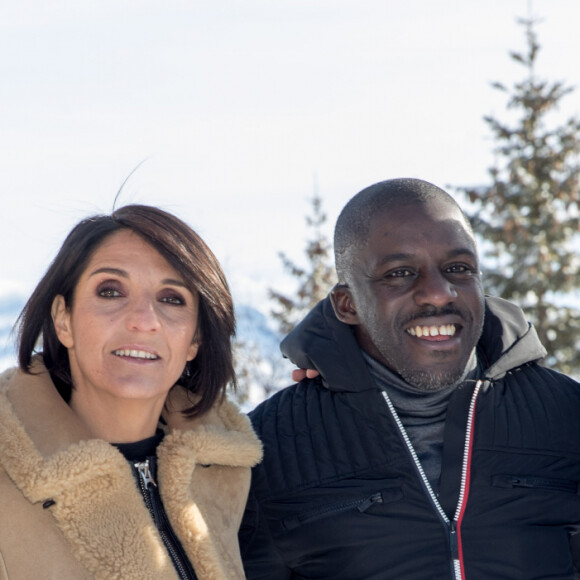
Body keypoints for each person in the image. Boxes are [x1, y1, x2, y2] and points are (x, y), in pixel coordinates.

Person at [239, 178, 580, 580]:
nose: (438, 293)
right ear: (347, 305)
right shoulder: (267, 450)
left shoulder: (566, 417)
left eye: (458, 268)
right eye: (400, 273)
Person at [0, 204, 262, 580]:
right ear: (63, 319)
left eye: (172, 298)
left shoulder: (230, 471)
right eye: (110, 291)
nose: (143, 320)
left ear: (195, 339)